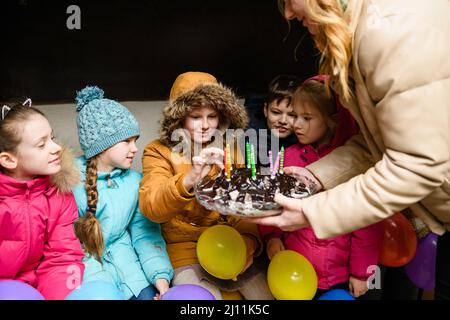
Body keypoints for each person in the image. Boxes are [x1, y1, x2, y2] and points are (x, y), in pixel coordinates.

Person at [251, 0, 450, 300]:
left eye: (288, 0)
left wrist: (312, 211)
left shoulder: (385, 30)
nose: (288, 13)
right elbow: (376, 145)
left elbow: (416, 164)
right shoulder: (365, 31)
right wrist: (313, 177)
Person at [139, 71, 273, 300]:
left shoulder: (231, 147)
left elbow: (245, 204)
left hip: (231, 245)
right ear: (179, 117)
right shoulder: (157, 151)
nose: (205, 125)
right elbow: (151, 207)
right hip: (186, 251)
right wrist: (190, 177)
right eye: (195, 116)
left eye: (212, 116)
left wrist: (250, 241)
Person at [260, 75, 381, 299]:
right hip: (294, 271)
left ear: (332, 120)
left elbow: (366, 224)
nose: (295, 124)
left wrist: (362, 274)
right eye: (295, 116)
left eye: (307, 118)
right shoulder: (287, 157)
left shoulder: (354, 163)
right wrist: (272, 237)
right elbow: (272, 202)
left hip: (339, 278)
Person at [72, 86, 173, 300]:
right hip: (91, 276)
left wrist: (160, 277)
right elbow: (70, 249)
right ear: (101, 145)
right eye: (127, 141)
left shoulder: (135, 182)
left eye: (135, 140)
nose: (135, 148)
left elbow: (145, 234)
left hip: (132, 272)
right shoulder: (70, 183)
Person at [0, 98, 85, 300]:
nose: (56, 148)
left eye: (52, 138)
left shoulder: (59, 192)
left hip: (40, 284)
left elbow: (63, 256)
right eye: (41, 144)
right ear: (9, 160)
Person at [244, 74, 301, 169]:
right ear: (265, 110)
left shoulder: (305, 139)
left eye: (292, 115)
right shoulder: (250, 142)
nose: (283, 121)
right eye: (276, 112)